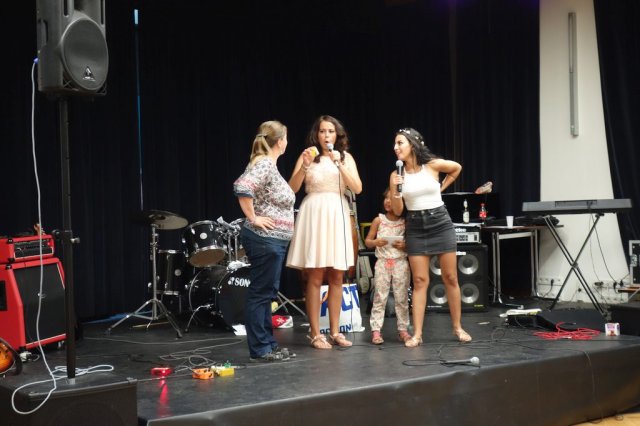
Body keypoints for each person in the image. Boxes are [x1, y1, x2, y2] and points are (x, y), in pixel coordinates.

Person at [389, 127, 472, 347]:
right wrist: (396, 190)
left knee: (450, 277)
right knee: (419, 281)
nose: (395, 147)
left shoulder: (432, 165)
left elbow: (456, 168)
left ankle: (457, 328)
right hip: (416, 226)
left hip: (440, 223)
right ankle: (417, 334)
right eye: (395, 144)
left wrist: (441, 187)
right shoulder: (396, 175)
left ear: (412, 144)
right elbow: (398, 210)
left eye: (400, 143)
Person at [286, 115, 363, 349]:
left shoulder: (346, 157)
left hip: (337, 211)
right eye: (322, 131)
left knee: (338, 275)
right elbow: (292, 189)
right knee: (315, 274)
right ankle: (315, 333)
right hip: (314, 212)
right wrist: (304, 166)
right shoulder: (308, 155)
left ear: (337, 135)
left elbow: (357, 188)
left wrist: (340, 164)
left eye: (330, 131)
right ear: (316, 134)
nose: (326, 135)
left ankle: (336, 332)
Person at [233, 120, 296, 362]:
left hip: (272, 242)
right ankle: (260, 348)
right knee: (261, 293)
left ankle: (268, 345)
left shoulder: (269, 165)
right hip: (264, 240)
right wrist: (254, 218)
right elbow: (242, 186)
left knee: (266, 293)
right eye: (286, 138)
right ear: (280, 142)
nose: (287, 142)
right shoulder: (265, 164)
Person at [364, 188, 411, 345]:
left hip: (400, 262)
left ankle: (403, 330)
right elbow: (368, 242)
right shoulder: (379, 220)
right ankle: (376, 330)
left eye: (392, 198)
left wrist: (404, 245)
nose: (388, 201)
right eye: (386, 198)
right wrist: (376, 242)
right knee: (380, 296)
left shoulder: (405, 222)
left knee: (401, 297)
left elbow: (412, 244)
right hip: (383, 263)